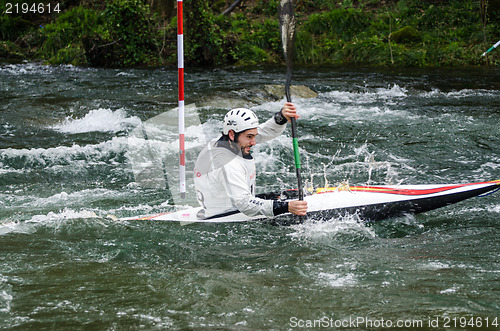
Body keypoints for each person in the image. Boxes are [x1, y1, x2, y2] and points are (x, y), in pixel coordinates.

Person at [193, 102, 308, 219]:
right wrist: (287, 207)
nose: (254, 142)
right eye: (249, 137)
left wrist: (281, 117)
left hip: (227, 204)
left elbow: (264, 132)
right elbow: (244, 203)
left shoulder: (224, 140)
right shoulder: (228, 163)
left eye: (254, 136)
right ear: (232, 134)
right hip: (227, 214)